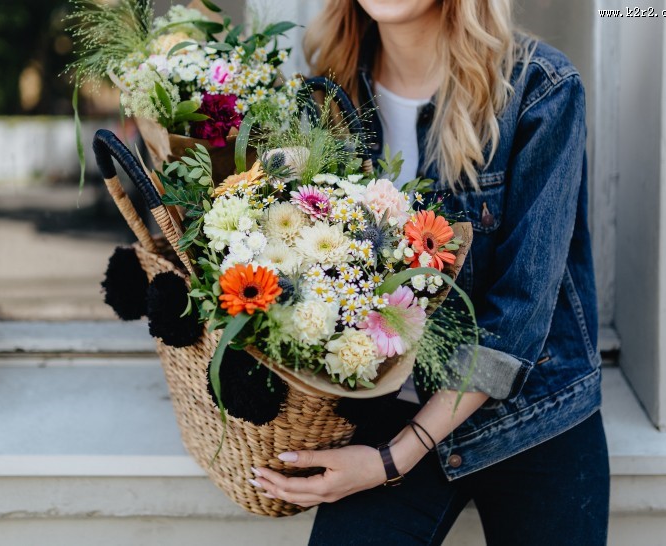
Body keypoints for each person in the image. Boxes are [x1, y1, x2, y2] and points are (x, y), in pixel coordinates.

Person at [249, 1, 610, 544]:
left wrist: (393, 460)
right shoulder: (327, 97)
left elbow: (520, 313)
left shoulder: (540, 88)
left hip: (534, 418)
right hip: (385, 412)